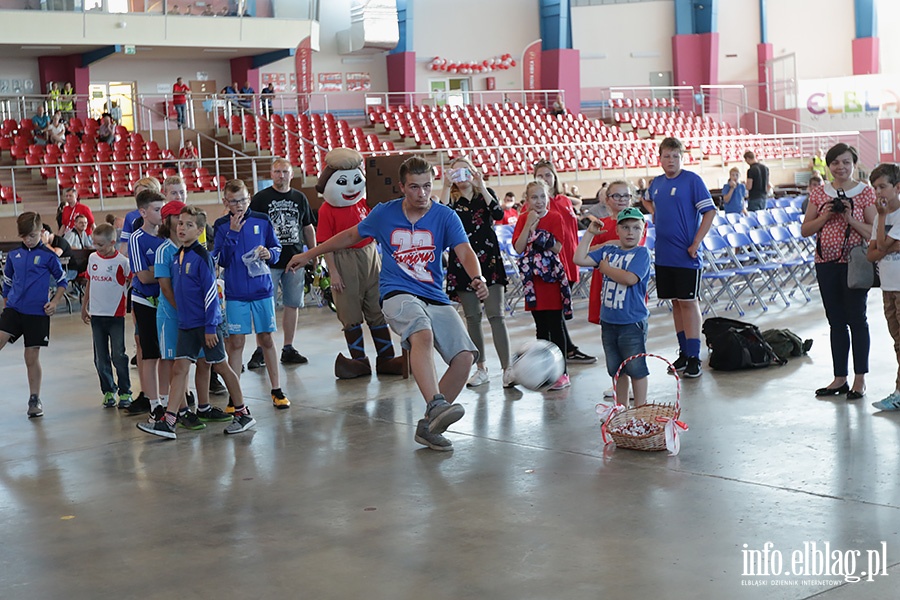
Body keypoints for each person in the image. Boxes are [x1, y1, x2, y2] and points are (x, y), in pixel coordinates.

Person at [286, 156, 489, 452]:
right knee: (422, 333)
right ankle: (435, 405)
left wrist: (477, 276)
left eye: (427, 187)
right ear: (402, 187)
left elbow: (465, 250)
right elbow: (349, 235)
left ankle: (429, 426)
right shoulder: (385, 213)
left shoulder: (445, 216)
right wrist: (310, 254)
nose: (422, 194)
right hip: (397, 294)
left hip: (434, 295)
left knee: (465, 357)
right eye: (414, 187)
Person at [138, 205, 253, 438]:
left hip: (205, 325)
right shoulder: (179, 255)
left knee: (221, 366)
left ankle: (243, 413)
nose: (182, 228)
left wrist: (211, 327)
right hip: (187, 325)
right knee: (180, 368)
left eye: (189, 225)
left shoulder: (202, 257)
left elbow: (211, 294)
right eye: (180, 223)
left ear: (200, 229)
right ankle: (169, 421)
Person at [314, 148, 404, 379]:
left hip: (370, 255)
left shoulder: (365, 203)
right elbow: (325, 242)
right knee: (349, 310)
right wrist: (333, 272)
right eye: (344, 181)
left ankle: (386, 358)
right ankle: (359, 360)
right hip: (343, 259)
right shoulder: (327, 210)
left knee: (376, 307)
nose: (352, 187)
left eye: (356, 180)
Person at [801, 143, 876, 399]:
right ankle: (839, 377)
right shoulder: (820, 193)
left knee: (857, 319)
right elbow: (805, 229)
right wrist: (825, 216)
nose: (840, 167)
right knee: (835, 321)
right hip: (825, 263)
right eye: (835, 163)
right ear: (829, 165)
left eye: (845, 162)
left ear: (853, 163)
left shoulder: (865, 193)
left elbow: (874, 232)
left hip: (855, 264)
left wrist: (850, 219)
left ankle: (860, 379)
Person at [642, 137, 716, 378]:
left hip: (686, 254)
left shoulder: (692, 180)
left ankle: (694, 355)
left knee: (688, 302)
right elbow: (646, 198)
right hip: (664, 254)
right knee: (674, 302)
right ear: (660, 158)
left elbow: (709, 211)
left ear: (682, 158)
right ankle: (684, 351)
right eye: (666, 156)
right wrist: (654, 212)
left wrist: (696, 242)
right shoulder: (657, 183)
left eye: (675, 156)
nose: (671, 160)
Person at [213, 179, 290, 410]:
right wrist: (233, 234)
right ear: (225, 202)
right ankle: (235, 397)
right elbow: (220, 259)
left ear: (249, 198)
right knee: (235, 342)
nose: (239, 205)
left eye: (243, 200)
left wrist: (270, 253)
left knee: (266, 338)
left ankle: (276, 390)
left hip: (262, 290)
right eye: (234, 201)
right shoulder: (221, 225)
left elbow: (276, 249)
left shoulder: (262, 220)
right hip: (235, 292)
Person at [440, 156, 512, 388]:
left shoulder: (485, 193)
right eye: (455, 173)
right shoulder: (451, 200)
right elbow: (439, 218)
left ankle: (507, 368)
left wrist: (481, 185)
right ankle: (481, 369)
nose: (461, 176)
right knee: (472, 318)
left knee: (496, 315)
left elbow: (499, 214)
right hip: (462, 263)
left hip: (489, 260)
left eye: (465, 171)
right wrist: (443, 186)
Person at [574, 207, 652, 407]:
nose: (630, 232)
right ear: (616, 230)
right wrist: (590, 234)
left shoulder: (641, 253)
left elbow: (629, 278)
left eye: (636, 228)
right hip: (609, 321)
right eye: (625, 227)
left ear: (642, 232)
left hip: (632, 322)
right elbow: (579, 258)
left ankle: (640, 408)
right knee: (617, 369)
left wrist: (606, 269)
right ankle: (621, 408)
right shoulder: (608, 250)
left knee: (636, 368)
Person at [247, 158, 315, 370]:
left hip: (294, 259)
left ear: (291, 174)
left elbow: (308, 228)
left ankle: (288, 348)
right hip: (268, 261)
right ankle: (261, 348)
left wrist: (312, 254)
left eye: (284, 172)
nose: (281, 175)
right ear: (271, 174)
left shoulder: (300, 198)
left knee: (292, 304)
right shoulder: (260, 198)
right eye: (277, 172)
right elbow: (251, 227)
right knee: (264, 305)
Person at [0, 212, 68, 418]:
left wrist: (54, 302)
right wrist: (6, 301)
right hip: (14, 309)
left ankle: (34, 398)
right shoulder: (13, 256)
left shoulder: (48, 256)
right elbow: (7, 281)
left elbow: (62, 281)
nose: (28, 240)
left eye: (32, 235)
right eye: (24, 237)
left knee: (31, 356)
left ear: (41, 232)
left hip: (37, 313)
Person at [533, 159, 596, 364]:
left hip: (571, 259)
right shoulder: (538, 205)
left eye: (548, 175)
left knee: (559, 309)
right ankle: (564, 351)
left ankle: (567, 349)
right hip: (552, 265)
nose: (545, 179)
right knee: (555, 311)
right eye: (540, 175)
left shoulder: (564, 200)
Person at [513, 179, 572, 390]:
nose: (539, 201)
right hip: (533, 280)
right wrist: (529, 224)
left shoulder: (555, 217)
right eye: (534, 197)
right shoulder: (522, 219)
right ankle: (544, 369)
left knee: (556, 326)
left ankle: (562, 372)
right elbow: (519, 247)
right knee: (541, 328)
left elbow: (556, 247)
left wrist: (537, 235)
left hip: (551, 277)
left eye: (542, 197)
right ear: (527, 200)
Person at [81, 223, 132, 409]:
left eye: (101, 245)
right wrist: (84, 306)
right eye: (95, 244)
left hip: (115, 316)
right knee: (100, 357)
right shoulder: (93, 258)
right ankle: (109, 390)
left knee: (118, 355)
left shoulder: (122, 262)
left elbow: (133, 281)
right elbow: (89, 282)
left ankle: (125, 392)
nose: (97, 248)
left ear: (112, 242)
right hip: (97, 315)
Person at [126, 190, 167, 416]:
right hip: (145, 302)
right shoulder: (136, 238)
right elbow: (143, 277)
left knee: (167, 353)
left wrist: (156, 271)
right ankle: (154, 404)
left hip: (167, 301)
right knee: (150, 353)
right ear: (143, 212)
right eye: (157, 209)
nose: (162, 213)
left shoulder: (167, 236)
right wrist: (163, 271)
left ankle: (169, 399)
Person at [867, 164, 900, 410]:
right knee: (897, 341)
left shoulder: (893, 215)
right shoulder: (883, 216)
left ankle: (899, 391)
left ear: (897, 188)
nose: (878, 192)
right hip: (887, 287)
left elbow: (881, 243)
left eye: (883, 187)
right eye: (875, 188)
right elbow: (872, 253)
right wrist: (886, 246)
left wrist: (880, 218)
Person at [119, 177, 161, 255]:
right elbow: (125, 246)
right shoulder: (130, 217)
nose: (144, 198)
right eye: (140, 195)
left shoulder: (164, 215)